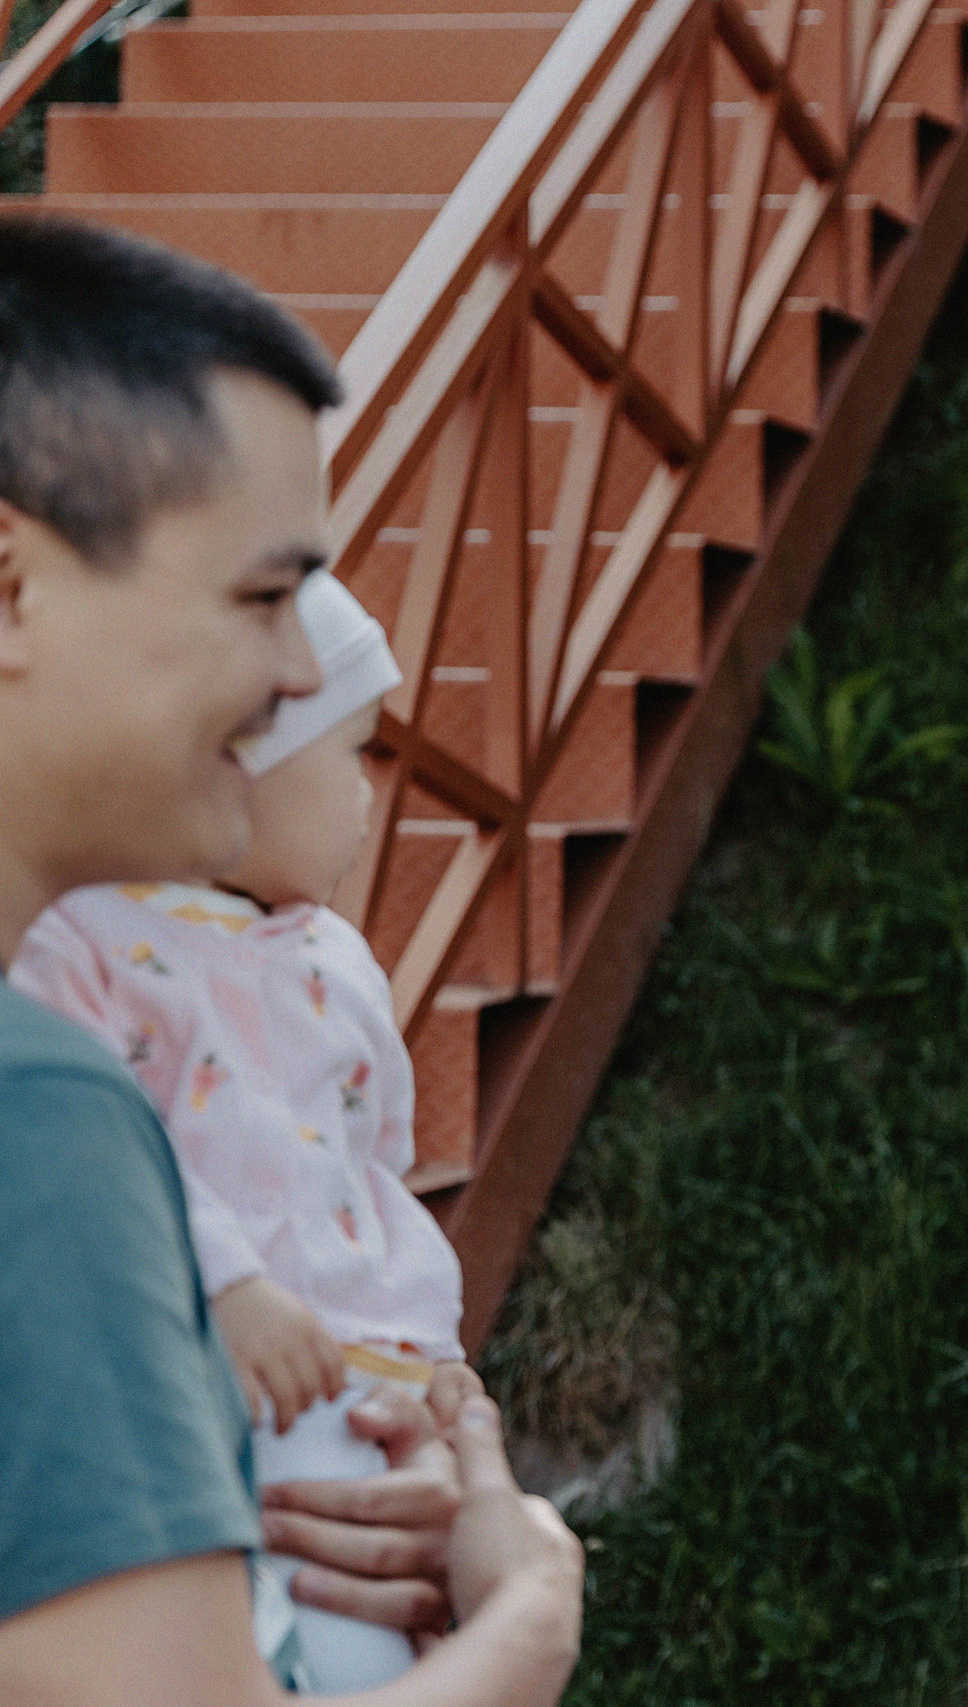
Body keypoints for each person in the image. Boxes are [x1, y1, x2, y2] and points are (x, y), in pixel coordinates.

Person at [0, 211, 583, 1703]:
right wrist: (525, 1620)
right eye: (265, 596)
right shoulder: (41, 1114)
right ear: (14, 585)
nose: (294, 675)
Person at [14, 570, 468, 1690]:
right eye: (351, 753)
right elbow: (109, 1150)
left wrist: (444, 1356)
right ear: (244, 769)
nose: (371, 797)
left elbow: (375, 1170)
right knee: (321, 1631)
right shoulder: (89, 938)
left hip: (373, 1368)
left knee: (399, 1621)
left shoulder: (335, 960)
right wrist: (229, 1282)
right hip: (229, 1373)